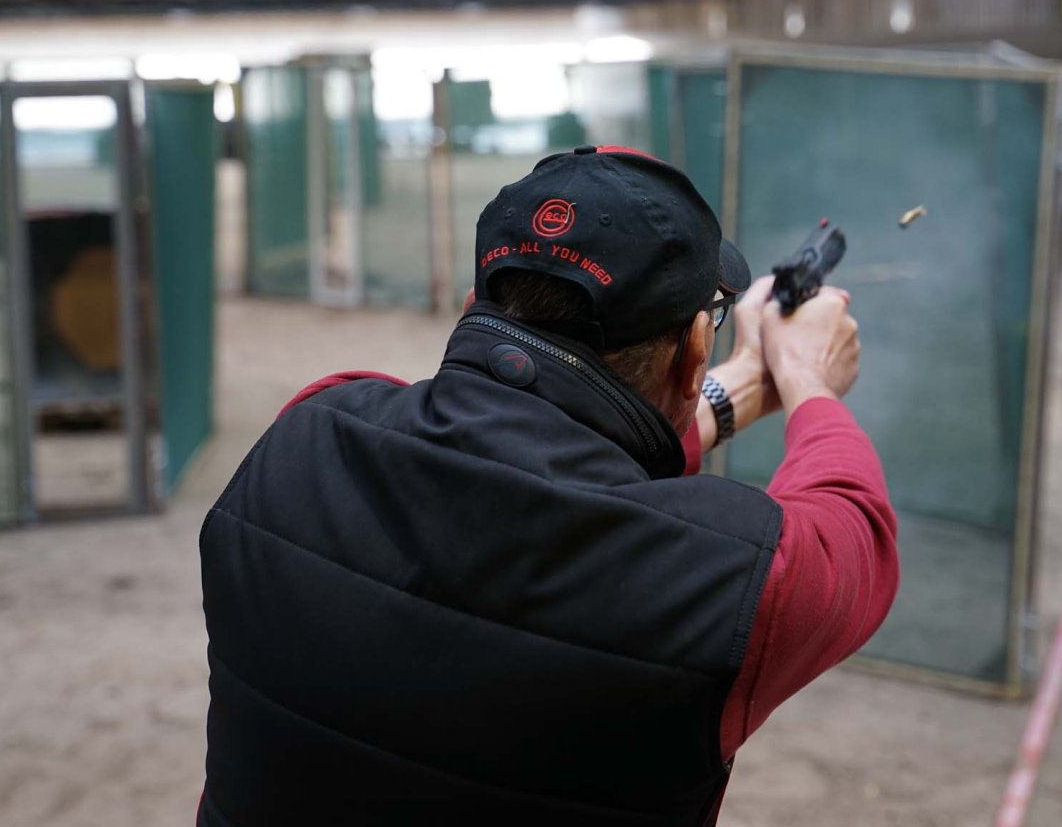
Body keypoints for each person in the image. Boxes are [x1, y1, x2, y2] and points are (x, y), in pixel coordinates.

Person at [197, 145, 898, 826]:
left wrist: (737, 387)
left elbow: (539, 443)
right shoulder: (735, 584)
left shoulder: (304, 432)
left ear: (476, 302)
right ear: (691, 351)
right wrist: (808, 375)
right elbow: (855, 528)